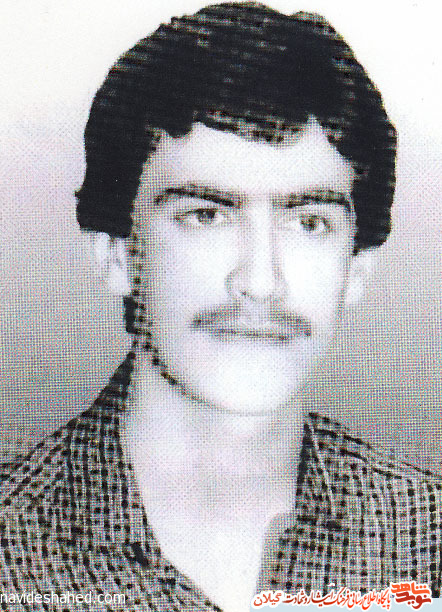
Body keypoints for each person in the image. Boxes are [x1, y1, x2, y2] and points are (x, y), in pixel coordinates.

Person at [0, 3, 440, 611]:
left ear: (357, 268)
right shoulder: (9, 543)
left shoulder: (427, 538)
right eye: (206, 215)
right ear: (117, 255)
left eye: (309, 223)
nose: (259, 282)